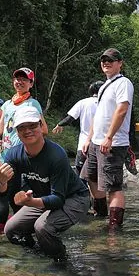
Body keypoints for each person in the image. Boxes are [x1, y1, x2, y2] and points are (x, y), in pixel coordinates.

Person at [0, 106, 90, 261]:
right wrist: (2, 181)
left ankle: (61, 261)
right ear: (16, 131)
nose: (27, 131)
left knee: (42, 227)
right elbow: (11, 196)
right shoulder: (13, 155)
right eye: (22, 128)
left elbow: (58, 199)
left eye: (32, 126)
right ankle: (39, 257)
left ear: (41, 126)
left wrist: (31, 202)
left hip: (74, 198)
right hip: (43, 199)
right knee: (11, 230)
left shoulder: (56, 155)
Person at [0, 68, 48, 235]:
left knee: (1, 192)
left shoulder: (32, 104)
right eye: (17, 78)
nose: (19, 82)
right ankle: (21, 225)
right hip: (5, 156)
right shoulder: (7, 104)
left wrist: (25, 138)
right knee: (12, 194)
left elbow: (44, 129)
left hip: (20, 157)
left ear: (31, 84)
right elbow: (1, 130)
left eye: (24, 79)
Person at [82, 48, 134, 229]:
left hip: (113, 142)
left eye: (111, 60)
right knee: (91, 177)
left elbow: (122, 109)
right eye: (104, 60)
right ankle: (101, 214)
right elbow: (98, 115)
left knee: (113, 186)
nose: (106, 63)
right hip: (96, 142)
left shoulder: (123, 83)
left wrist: (109, 137)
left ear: (120, 63)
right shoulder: (104, 85)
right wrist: (89, 139)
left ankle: (114, 227)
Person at [52, 81, 105, 214]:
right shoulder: (107, 103)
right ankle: (99, 209)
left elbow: (70, 118)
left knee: (80, 177)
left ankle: (82, 206)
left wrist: (59, 125)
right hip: (102, 146)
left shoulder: (83, 102)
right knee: (97, 178)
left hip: (84, 146)